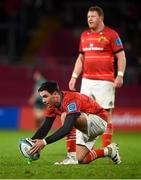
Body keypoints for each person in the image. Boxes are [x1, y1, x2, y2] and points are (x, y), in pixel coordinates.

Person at [69, 5, 126, 159]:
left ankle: (108, 149)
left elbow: (121, 56)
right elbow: (81, 58)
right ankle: (84, 148)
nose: (90, 19)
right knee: (82, 113)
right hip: (86, 80)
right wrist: (75, 76)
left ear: (101, 18)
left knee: (106, 113)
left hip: (105, 81)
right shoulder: (84, 35)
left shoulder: (111, 34)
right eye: (88, 17)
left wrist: (120, 75)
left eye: (93, 16)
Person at [29, 81, 121, 165]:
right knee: (81, 159)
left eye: (45, 96)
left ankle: (71, 157)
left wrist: (44, 142)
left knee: (65, 115)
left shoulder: (70, 100)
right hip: (83, 124)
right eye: (42, 97)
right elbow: (45, 127)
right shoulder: (52, 106)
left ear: (55, 94)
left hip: (99, 121)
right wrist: (31, 143)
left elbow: (67, 129)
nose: (43, 100)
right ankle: (109, 151)